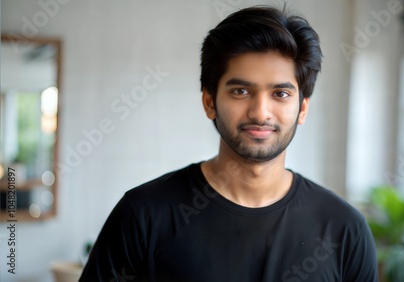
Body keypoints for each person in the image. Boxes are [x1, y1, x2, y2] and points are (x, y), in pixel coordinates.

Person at [80, 5, 378, 282]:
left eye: (280, 94)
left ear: (302, 108)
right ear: (210, 102)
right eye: (240, 91)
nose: (260, 112)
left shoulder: (344, 229)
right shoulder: (143, 214)